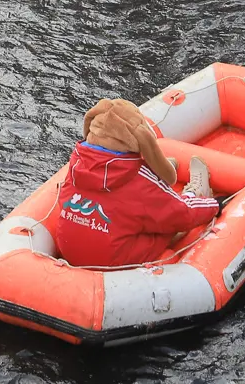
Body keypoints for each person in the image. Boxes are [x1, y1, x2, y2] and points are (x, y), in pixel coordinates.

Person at [55, 98, 219, 268]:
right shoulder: (137, 180)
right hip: (112, 260)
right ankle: (195, 193)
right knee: (166, 223)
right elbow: (181, 213)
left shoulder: (76, 167)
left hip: (69, 251)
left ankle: (158, 176)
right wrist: (214, 205)